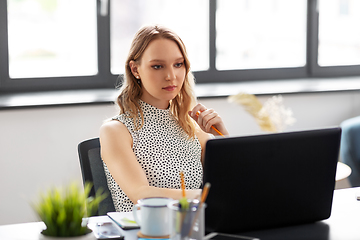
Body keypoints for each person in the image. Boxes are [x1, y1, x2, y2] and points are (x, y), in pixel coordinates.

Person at [100, 24, 229, 212]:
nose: (171, 76)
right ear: (135, 70)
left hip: (191, 231)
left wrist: (222, 137)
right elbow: (141, 194)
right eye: (158, 66)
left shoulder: (193, 130)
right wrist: (207, 197)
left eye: (178, 64)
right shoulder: (115, 130)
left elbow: (234, 186)